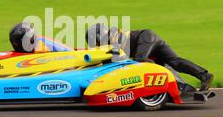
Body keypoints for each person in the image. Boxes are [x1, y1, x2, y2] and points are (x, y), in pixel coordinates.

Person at [85, 23, 214, 91]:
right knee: (174, 61)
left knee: (141, 62)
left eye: (95, 42)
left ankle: (175, 83)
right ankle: (203, 75)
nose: (95, 46)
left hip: (145, 39)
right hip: (151, 37)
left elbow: (113, 61)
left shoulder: (112, 38)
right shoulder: (110, 38)